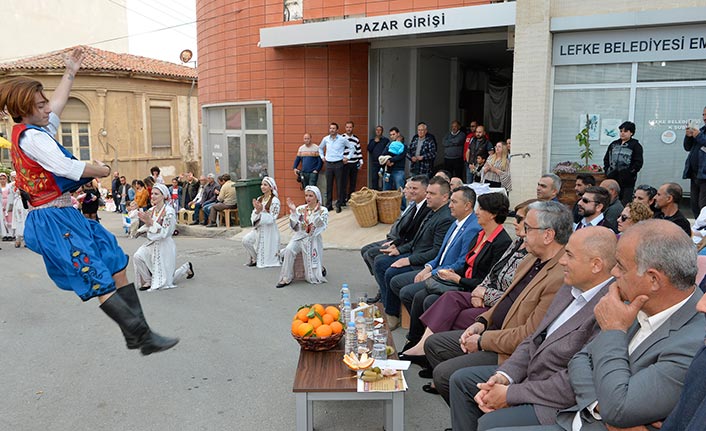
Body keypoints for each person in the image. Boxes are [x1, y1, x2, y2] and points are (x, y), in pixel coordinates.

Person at [0, 47, 177, 355]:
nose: (47, 108)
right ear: (25, 108)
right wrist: (102, 169)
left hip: (66, 212)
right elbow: (67, 168)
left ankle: (137, 334)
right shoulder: (32, 138)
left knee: (115, 261)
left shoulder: (35, 129)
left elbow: (57, 106)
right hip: (51, 219)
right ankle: (143, 336)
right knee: (97, 277)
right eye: (40, 104)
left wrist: (70, 72)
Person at [525, 220, 704, 431]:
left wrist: (614, 330)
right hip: (581, 417)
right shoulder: (635, 300)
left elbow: (620, 410)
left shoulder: (695, 340)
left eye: (621, 266)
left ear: (654, 279)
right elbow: (580, 359)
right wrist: (599, 406)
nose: (614, 273)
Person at [449, 227, 617, 431]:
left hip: (555, 402)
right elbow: (533, 339)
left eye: (569, 255)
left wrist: (510, 394)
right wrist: (504, 376)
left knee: (489, 424)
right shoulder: (569, 287)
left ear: (596, 265)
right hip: (528, 375)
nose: (562, 261)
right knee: (461, 381)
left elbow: (573, 382)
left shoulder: (610, 308)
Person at [424, 200, 570, 403]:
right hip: (493, 331)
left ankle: (477, 415)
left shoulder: (559, 276)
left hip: (511, 351)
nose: (521, 233)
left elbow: (530, 335)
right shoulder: (530, 259)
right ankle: (472, 408)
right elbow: (506, 299)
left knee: (445, 375)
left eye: (527, 227)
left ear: (548, 235)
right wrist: (481, 322)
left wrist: (483, 341)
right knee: (433, 344)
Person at [402, 199, 535, 360]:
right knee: (432, 297)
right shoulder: (512, 242)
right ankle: (422, 346)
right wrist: (477, 290)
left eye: (519, 219)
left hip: (490, 298)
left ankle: (433, 354)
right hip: (477, 289)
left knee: (435, 303)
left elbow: (513, 294)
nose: (476, 212)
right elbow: (491, 273)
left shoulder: (509, 244)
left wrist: (477, 290)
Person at [390, 186, 484, 349]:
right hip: (438, 269)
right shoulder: (456, 222)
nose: (449, 205)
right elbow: (440, 253)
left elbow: (461, 263)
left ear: (468, 205)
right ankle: (418, 335)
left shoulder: (472, 228)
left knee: (412, 293)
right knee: (400, 283)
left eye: (454, 202)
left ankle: (418, 338)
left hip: (449, 276)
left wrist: (433, 273)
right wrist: (428, 268)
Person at [373, 176, 454, 328]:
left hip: (424, 261)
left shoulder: (445, 218)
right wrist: (399, 249)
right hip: (415, 253)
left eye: (432, 194)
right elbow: (415, 240)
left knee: (390, 271)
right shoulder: (433, 210)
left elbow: (436, 252)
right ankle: (387, 304)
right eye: (428, 192)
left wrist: (409, 260)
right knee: (380, 260)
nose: (428, 196)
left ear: (444, 197)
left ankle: (392, 314)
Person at [361, 175, 431, 303]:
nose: (409, 191)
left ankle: (385, 296)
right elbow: (405, 230)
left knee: (377, 258)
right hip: (399, 241)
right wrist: (395, 243)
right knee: (368, 252)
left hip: (412, 250)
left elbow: (414, 237)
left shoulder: (427, 208)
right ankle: (382, 287)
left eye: (414, 188)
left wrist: (398, 247)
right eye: (408, 188)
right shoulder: (414, 205)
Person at [133, 183, 194, 291]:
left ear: (164, 196)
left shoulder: (169, 212)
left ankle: (186, 268)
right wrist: (140, 230)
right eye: (152, 193)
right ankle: (148, 280)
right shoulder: (152, 210)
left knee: (165, 281)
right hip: (152, 243)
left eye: (156, 194)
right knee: (137, 256)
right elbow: (148, 224)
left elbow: (166, 232)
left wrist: (151, 222)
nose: (153, 196)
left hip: (164, 245)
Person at [276, 185, 328, 288]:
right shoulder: (301, 209)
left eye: (311, 196)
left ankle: (320, 269)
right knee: (289, 250)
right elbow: (295, 227)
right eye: (306, 195)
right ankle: (286, 278)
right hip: (299, 237)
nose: (308, 198)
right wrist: (294, 212)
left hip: (312, 238)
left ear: (316, 197)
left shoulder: (323, 210)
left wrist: (316, 216)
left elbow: (322, 226)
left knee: (311, 275)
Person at [242, 176, 281, 268]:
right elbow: (254, 214)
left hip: (269, 230)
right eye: (262, 184)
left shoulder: (275, 200)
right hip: (258, 228)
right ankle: (255, 258)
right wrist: (257, 211)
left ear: (271, 187)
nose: (262, 187)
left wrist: (261, 211)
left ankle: (261, 259)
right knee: (246, 240)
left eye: (265, 185)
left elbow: (273, 218)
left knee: (267, 250)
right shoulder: (259, 198)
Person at [603, 121, 644, 205]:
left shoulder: (636, 145)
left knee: (625, 203)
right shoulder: (613, 144)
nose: (622, 133)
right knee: (610, 200)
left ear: (631, 133)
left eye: (625, 131)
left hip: (627, 181)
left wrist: (629, 173)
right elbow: (606, 159)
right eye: (621, 131)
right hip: (612, 178)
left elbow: (638, 162)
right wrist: (607, 170)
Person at [319, 122, 355, 213]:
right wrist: (322, 157)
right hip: (329, 164)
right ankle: (329, 205)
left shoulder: (342, 139)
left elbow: (352, 148)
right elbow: (320, 148)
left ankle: (339, 205)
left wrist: (348, 157)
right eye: (330, 128)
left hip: (339, 164)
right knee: (329, 185)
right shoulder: (326, 139)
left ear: (337, 130)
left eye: (334, 128)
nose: (332, 130)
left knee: (340, 185)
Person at [683, 106, 706, 218]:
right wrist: (688, 136)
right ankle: (698, 228)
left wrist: (698, 136)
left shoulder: (700, 133)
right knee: (695, 204)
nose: (704, 118)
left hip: (705, 176)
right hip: (695, 174)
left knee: (703, 205)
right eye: (703, 115)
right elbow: (687, 147)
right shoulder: (701, 130)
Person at [380, 128, 407, 193]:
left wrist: (390, 160)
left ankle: (402, 203)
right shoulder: (389, 144)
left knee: (400, 191)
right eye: (391, 135)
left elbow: (401, 156)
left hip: (398, 170)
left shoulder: (403, 145)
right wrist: (387, 160)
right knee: (386, 191)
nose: (392, 136)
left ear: (398, 134)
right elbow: (383, 154)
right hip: (388, 170)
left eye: (394, 134)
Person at [342, 121, 363, 204]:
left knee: (353, 182)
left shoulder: (356, 139)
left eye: (350, 127)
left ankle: (350, 200)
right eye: (347, 127)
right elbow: (339, 150)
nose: (349, 129)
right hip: (345, 164)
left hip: (354, 163)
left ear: (353, 128)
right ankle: (343, 200)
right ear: (345, 128)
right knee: (343, 182)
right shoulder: (341, 138)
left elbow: (358, 151)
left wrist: (361, 162)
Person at [8, 172, 27, 248]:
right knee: (17, 221)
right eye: (13, 177)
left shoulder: (24, 184)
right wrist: (9, 207)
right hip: (17, 204)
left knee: (25, 220)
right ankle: (17, 239)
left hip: (23, 204)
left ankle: (26, 240)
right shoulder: (11, 186)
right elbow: (10, 197)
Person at [367, 125, 389, 190]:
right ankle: (374, 192)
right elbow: (369, 149)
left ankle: (383, 191)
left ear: (382, 131)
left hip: (383, 162)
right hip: (375, 162)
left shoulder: (386, 140)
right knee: (374, 178)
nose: (378, 131)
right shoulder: (372, 140)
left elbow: (388, 150)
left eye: (380, 130)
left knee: (384, 178)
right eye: (377, 130)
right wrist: (374, 142)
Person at [0, 172, 14, 240]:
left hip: (8, 204)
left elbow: (11, 195)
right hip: (1, 204)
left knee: (9, 219)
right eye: (1, 179)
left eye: (4, 179)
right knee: (3, 220)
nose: (2, 180)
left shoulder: (9, 186)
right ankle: (4, 234)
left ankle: (11, 234)